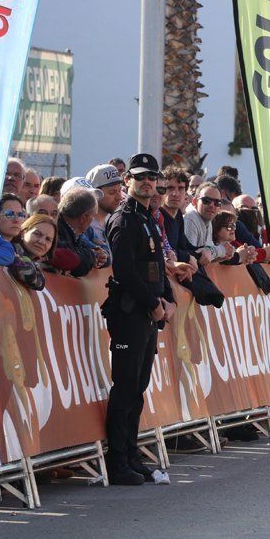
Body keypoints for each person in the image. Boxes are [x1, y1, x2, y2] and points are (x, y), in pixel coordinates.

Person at [103, 153, 176, 485]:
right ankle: (118, 463)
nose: (147, 182)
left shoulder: (149, 216)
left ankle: (131, 455)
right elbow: (125, 270)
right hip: (130, 311)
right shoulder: (125, 219)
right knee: (125, 388)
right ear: (127, 181)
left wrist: (167, 300)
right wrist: (153, 303)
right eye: (140, 177)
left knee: (138, 388)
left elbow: (156, 267)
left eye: (152, 177)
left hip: (147, 312)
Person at [56, 185, 103, 277]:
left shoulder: (73, 232)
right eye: (93, 216)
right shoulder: (55, 230)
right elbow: (74, 262)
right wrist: (92, 256)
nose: (93, 220)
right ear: (84, 217)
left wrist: (96, 255)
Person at [184, 183, 235, 265]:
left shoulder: (208, 220)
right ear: (195, 201)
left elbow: (207, 256)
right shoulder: (191, 217)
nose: (212, 205)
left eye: (217, 203)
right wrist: (222, 250)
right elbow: (193, 256)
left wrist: (225, 254)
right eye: (206, 200)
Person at [86, 164, 125, 267]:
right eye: (112, 192)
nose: (119, 197)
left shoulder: (116, 221)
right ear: (95, 193)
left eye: (120, 190)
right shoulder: (85, 225)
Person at [8, 214, 58, 291]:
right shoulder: (9, 250)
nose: (42, 242)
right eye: (37, 234)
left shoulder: (40, 263)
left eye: (48, 239)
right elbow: (35, 280)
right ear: (23, 232)